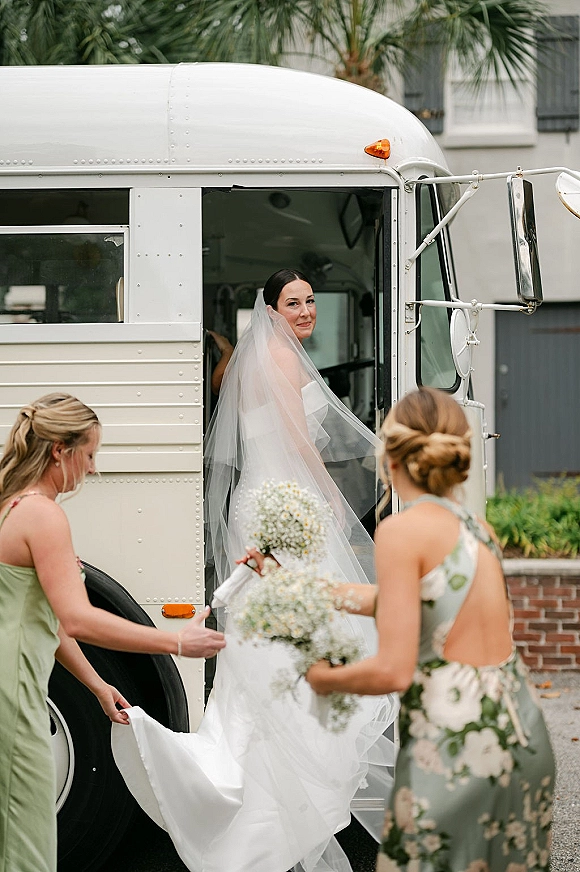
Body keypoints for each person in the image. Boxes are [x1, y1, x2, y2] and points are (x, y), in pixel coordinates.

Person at [112, 269, 399, 872]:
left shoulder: (257, 359)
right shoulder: (283, 360)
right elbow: (299, 445)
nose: (305, 311)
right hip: (283, 509)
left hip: (263, 506)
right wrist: (335, 503)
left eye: (310, 301)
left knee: (266, 646)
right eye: (292, 302)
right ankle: (291, 782)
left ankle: (260, 791)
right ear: (268, 310)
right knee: (299, 639)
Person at [306, 386, 556, 872]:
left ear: (390, 457)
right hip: (521, 732)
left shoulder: (400, 531)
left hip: (458, 741)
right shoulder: (475, 525)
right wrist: (308, 587)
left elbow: (394, 671)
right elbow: (417, 603)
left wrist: (321, 679)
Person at [0, 393, 225, 872]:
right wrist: (177, 642)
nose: (94, 469)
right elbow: (78, 619)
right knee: (26, 837)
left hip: (11, 676)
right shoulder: (42, 514)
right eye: (90, 454)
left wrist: (99, 686)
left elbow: (51, 623)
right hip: (13, 691)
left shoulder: (9, 504)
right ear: (61, 451)